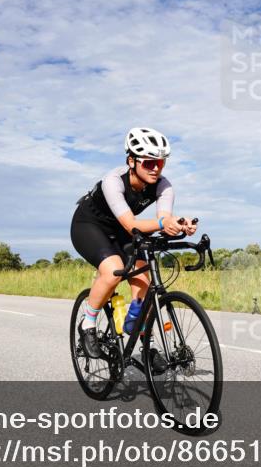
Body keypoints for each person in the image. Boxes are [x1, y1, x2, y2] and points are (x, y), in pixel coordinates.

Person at [70, 128, 197, 370]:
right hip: (89, 225)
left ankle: (141, 338)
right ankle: (87, 323)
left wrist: (178, 225)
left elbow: (162, 219)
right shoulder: (113, 181)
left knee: (144, 283)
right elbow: (132, 224)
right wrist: (163, 223)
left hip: (122, 230)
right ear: (131, 161)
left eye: (160, 162)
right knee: (113, 271)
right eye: (149, 162)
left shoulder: (164, 186)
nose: (156, 168)